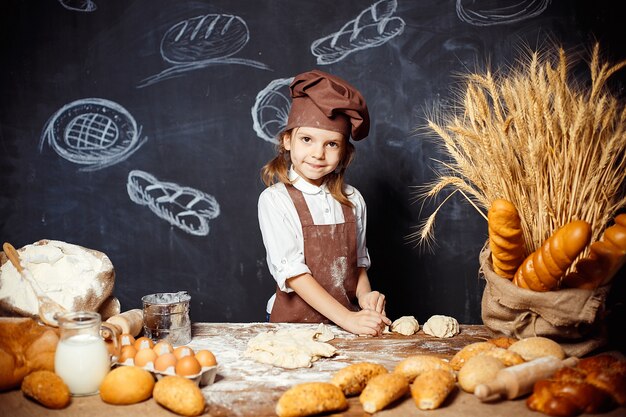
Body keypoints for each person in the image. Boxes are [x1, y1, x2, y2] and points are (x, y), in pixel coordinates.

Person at [258, 69, 391, 336]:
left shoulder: (353, 200)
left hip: (346, 326)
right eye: (307, 139)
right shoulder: (275, 200)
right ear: (287, 140)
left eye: (331, 144)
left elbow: (358, 266)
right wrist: (349, 319)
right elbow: (294, 275)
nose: (318, 153)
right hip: (293, 328)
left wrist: (366, 298)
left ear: (344, 153)